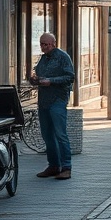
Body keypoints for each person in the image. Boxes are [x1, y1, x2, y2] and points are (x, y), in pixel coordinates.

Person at [30, 32, 75, 180]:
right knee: (47, 135)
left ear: (53, 43)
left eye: (46, 44)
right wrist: (35, 79)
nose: (43, 47)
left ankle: (66, 166)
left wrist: (51, 81)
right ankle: (54, 165)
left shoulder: (63, 57)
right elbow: (39, 75)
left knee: (60, 134)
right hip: (44, 101)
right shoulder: (43, 59)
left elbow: (70, 77)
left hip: (58, 99)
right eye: (41, 44)